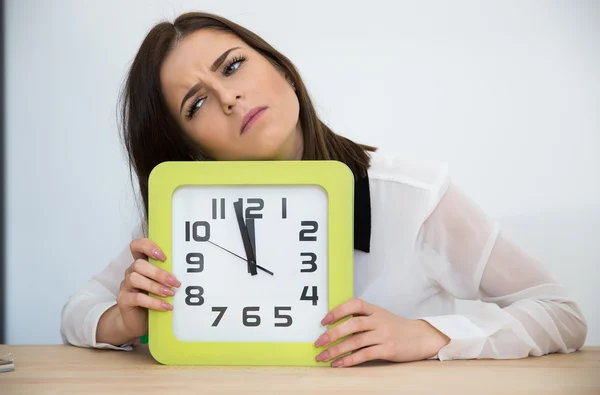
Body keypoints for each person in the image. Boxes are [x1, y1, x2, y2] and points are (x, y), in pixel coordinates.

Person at [60, 11, 588, 367]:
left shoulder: (411, 195)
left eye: (234, 65)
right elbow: (78, 311)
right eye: (195, 104)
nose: (229, 97)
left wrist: (428, 334)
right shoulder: (183, 219)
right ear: (189, 148)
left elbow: (561, 313)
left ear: (282, 70)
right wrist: (120, 320)